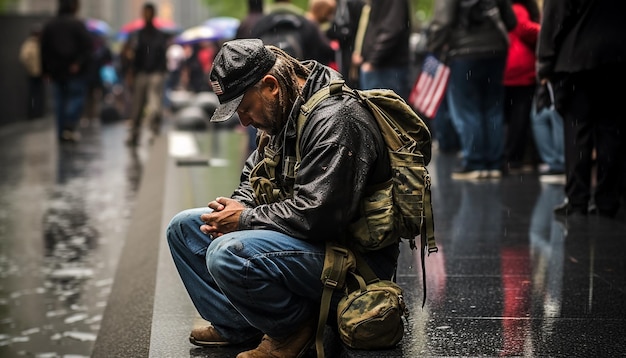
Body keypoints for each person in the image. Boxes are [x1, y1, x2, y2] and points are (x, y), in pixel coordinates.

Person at [166, 39, 398, 357]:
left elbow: (320, 216)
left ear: (270, 85)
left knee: (228, 253)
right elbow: (253, 176)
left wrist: (243, 219)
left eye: (245, 109)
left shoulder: (336, 119)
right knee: (184, 228)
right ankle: (239, 325)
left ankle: (291, 328)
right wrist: (234, 207)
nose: (244, 122)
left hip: (351, 260)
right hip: (304, 243)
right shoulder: (282, 109)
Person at [536, 0, 626, 217]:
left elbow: (554, 19)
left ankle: (578, 200)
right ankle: (607, 199)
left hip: (576, 59)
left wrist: (544, 64)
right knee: (610, 130)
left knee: (577, 131)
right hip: (617, 58)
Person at [427, 0, 517, 180]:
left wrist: (433, 47)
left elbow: (443, 22)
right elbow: (511, 21)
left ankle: (475, 162)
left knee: (467, 109)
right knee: (493, 108)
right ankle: (494, 163)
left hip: (464, 52)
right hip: (496, 51)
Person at [40, 0, 92, 142]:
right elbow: (88, 48)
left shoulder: (50, 25)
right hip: (74, 72)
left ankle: (61, 132)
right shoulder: (77, 25)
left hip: (56, 72)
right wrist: (78, 63)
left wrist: (45, 70)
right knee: (75, 99)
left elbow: (43, 50)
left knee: (59, 102)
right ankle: (68, 126)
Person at [502, 0, 541, 175]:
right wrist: (545, 30)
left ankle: (508, 157)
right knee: (520, 116)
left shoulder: (505, 8)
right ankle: (515, 158)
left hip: (508, 67)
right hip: (521, 68)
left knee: (510, 117)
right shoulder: (518, 9)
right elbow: (525, 28)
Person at [125, 2, 169, 147]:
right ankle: (135, 134)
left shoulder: (159, 35)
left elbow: (162, 55)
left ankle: (154, 132)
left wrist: (162, 71)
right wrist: (132, 71)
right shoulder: (138, 35)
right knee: (137, 106)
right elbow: (134, 56)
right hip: (141, 73)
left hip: (155, 73)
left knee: (154, 105)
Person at [351, 0, 412, 100]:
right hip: (376, 67)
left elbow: (392, 29)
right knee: (372, 111)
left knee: (386, 112)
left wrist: (372, 61)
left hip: (386, 68)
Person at [251, 0, 335, 65]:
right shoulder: (305, 24)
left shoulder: (260, 23)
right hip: (300, 78)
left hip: (268, 76)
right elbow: (326, 51)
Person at [19, 25, 45, 119]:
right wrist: (31, 68)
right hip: (33, 73)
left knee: (38, 93)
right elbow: (24, 58)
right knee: (34, 94)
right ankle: (33, 113)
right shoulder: (30, 44)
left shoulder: (39, 44)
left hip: (40, 73)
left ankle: (38, 112)